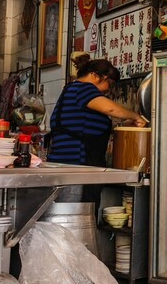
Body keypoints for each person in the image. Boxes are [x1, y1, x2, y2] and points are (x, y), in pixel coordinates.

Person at [48, 59, 146, 204]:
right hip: (77, 164)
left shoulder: (73, 89)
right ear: (95, 76)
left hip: (69, 164)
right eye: (109, 83)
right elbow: (111, 109)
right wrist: (136, 116)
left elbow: (85, 126)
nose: (108, 89)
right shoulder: (84, 88)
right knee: (77, 212)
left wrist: (120, 125)